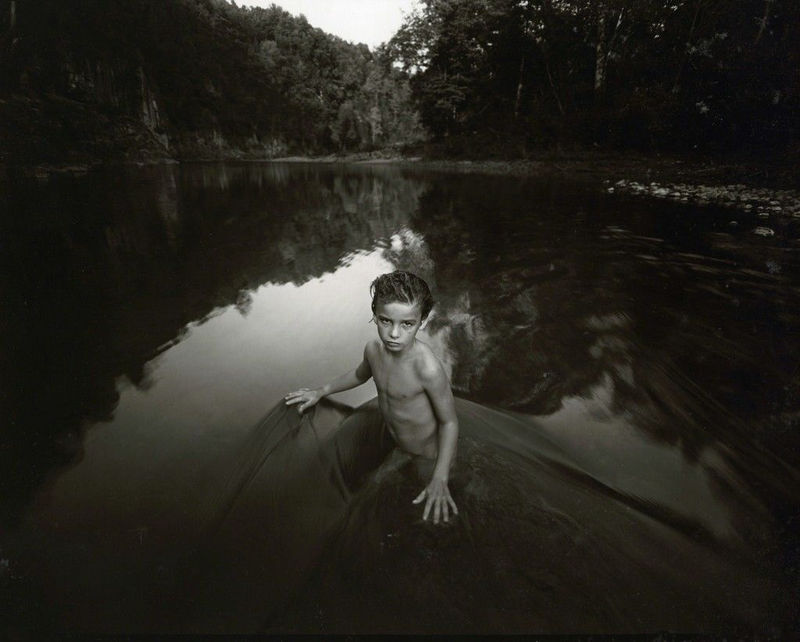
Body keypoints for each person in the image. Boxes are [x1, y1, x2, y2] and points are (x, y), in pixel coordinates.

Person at [284, 270, 459, 525]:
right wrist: (321, 391)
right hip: (399, 445)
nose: (394, 334)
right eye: (385, 321)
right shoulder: (374, 350)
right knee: (377, 493)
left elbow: (450, 423)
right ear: (374, 315)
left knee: (433, 515)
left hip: (429, 456)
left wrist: (440, 475)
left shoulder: (427, 369)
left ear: (421, 321)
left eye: (406, 324)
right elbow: (358, 375)